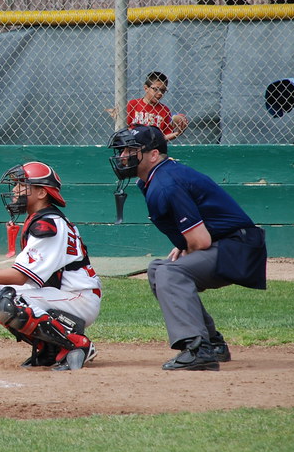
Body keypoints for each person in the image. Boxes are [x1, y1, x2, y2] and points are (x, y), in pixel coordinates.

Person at [108, 125, 267, 371]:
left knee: (170, 273)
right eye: (122, 150)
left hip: (238, 248)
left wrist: (189, 248)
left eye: (131, 150)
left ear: (153, 155)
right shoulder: (158, 178)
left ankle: (198, 349)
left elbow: (200, 241)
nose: (122, 156)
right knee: (157, 269)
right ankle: (213, 343)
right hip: (229, 244)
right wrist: (184, 246)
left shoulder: (165, 182)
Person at [0, 162, 100, 371]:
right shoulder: (41, 219)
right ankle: (50, 348)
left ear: (41, 193)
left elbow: (19, 277)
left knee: (8, 300)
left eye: (22, 184)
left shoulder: (49, 225)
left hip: (78, 298)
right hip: (60, 294)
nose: (14, 190)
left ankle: (77, 344)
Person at [125, 71, 188, 141]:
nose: (160, 93)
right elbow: (125, 128)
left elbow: (164, 137)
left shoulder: (164, 110)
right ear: (146, 88)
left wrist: (177, 133)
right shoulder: (132, 104)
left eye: (163, 90)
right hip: (134, 145)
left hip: (154, 147)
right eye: (156, 89)